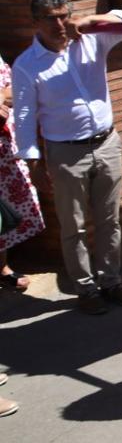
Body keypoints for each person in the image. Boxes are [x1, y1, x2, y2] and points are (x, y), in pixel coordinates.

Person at [11, 0, 122, 315]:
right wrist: (33, 162)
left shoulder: (91, 40)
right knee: (74, 227)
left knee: (109, 221)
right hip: (65, 153)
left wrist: (90, 21)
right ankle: (86, 288)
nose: (60, 24)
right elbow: (25, 116)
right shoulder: (28, 65)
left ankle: (111, 281)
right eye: (51, 18)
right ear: (36, 22)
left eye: (64, 15)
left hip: (107, 143)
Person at [1, 54, 45, 293]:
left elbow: (14, 87)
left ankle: (2, 268)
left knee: (3, 210)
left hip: (4, 148)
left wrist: (2, 97)